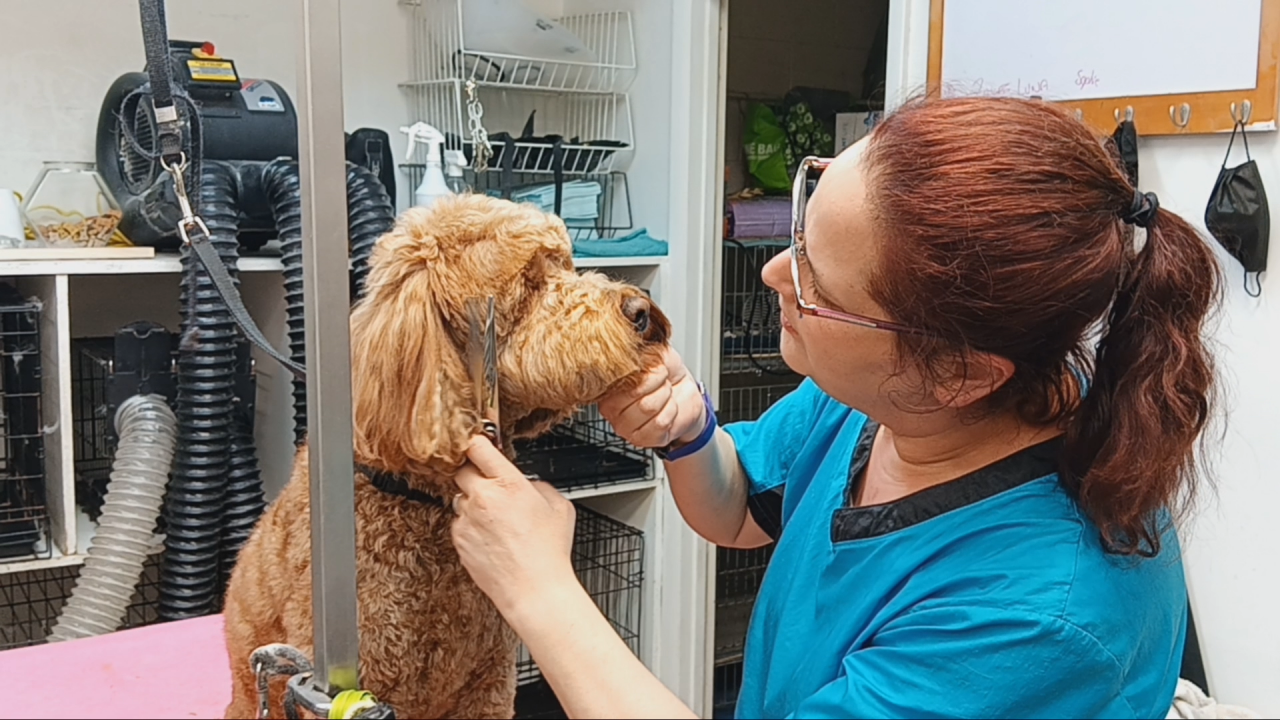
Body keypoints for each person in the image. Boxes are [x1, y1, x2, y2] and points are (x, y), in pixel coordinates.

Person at [449, 95, 1221, 719]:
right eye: (800, 230)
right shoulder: (884, 404)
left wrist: (540, 591)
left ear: (955, 373)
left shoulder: (1036, 618)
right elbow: (743, 510)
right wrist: (688, 434)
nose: (776, 273)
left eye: (819, 280)